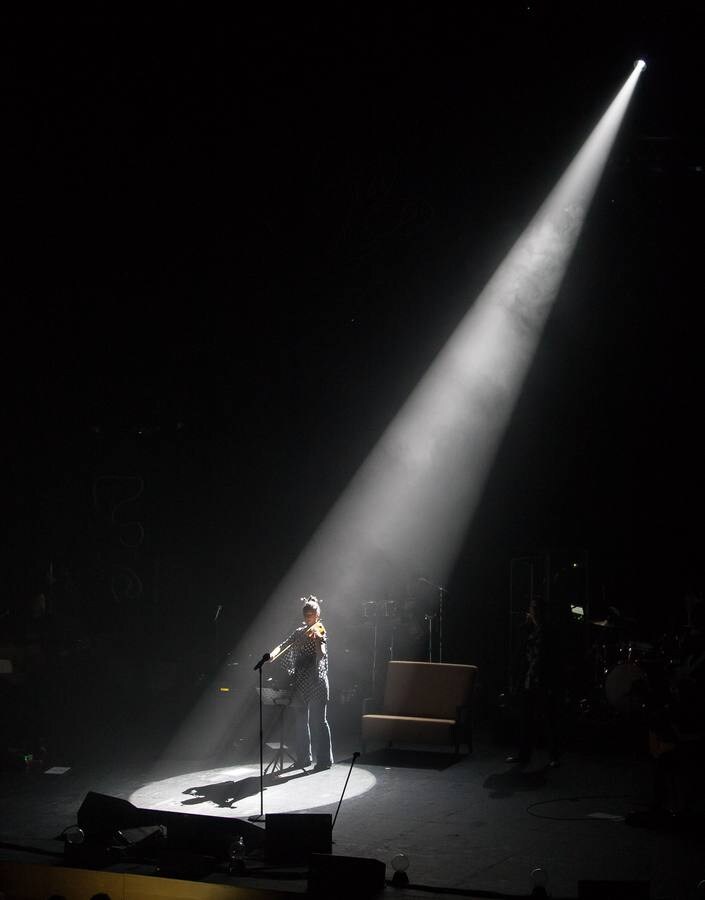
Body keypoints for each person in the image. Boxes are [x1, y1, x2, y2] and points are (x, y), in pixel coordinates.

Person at [268, 596, 333, 772]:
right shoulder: (299, 632)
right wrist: (272, 655)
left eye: (311, 615)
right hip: (300, 682)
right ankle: (304, 758)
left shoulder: (320, 630)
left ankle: (325, 760)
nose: (308, 618)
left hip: (317, 681)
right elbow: (284, 645)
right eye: (306, 615)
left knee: (319, 721)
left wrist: (319, 639)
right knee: (300, 722)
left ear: (318, 615)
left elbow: (321, 655)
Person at [505, 597, 562, 767]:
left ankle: (554, 756)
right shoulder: (526, 629)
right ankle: (524, 755)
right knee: (526, 719)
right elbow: (518, 654)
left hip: (543, 679)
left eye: (537, 608)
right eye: (533, 608)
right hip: (528, 678)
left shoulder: (550, 631)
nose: (534, 611)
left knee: (549, 719)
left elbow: (554, 659)